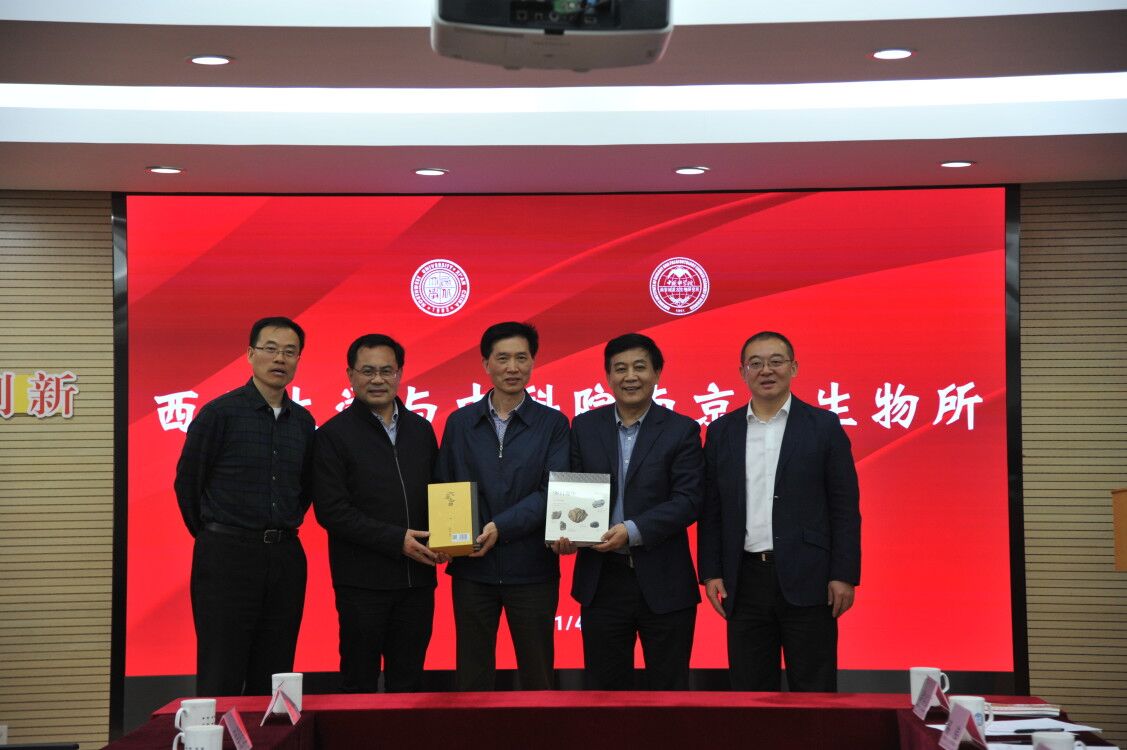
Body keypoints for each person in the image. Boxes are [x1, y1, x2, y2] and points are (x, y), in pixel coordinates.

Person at [698, 331, 861, 692]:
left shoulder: (823, 426)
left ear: (794, 367)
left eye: (776, 361)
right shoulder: (723, 431)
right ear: (742, 372)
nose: (766, 370)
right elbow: (712, 508)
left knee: (814, 690)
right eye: (755, 363)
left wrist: (844, 574)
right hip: (745, 579)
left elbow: (845, 507)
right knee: (751, 692)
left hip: (810, 577)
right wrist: (711, 572)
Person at [174, 316, 316, 697]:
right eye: (270, 349)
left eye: (290, 352)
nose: (279, 358)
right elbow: (188, 482)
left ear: (298, 359)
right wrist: (216, 535)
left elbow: (304, 489)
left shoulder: (304, 423)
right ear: (251, 354)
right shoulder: (219, 414)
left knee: (274, 672)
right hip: (226, 557)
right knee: (221, 669)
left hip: (285, 557)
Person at [556, 333, 703, 690]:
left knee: (669, 693)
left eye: (640, 367)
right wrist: (566, 533)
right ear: (608, 376)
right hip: (602, 579)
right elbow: (572, 491)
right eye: (620, 369)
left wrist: (632, 529)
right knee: (604, 695)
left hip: (665, 580)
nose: (630, 377)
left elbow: (689, 500)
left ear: (657, 373)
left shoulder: (681, 429)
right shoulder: (585, 426)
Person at [435, 321, 569, 690]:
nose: (513, 368)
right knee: (472, 676)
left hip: (533, 570)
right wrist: (449, 539)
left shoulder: (553, 424)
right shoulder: (460, 422)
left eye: (521, 358)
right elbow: (446, 485)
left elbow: (552, 492)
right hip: (472, 570)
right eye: (503, 358)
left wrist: (500, 527)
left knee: (538, 675)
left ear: (533, 363)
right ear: (486, 364)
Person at [312, 334, 442, 693]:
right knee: (359, 682)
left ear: (399, 373)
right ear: (351, 376)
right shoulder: (332, 435)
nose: (378, 379)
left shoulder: (421, 430)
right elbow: (332, 511)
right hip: (362, 584)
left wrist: (449, 537)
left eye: (387, 370)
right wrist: (396, 540)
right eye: (367, 371)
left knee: (409, 683)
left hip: (417, 581)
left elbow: (439, 493)